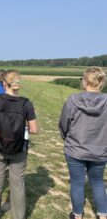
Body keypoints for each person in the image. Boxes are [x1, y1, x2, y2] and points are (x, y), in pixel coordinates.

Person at [0, 70, 38, 219]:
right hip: (19, 150)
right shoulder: (26, 103)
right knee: (18, 184)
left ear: (3, 83)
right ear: (18, 85)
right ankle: (19, 216)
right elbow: (34, 130)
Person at [59, 67, 107, 219]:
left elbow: (64, 124)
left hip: (75, 149)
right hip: (100, 150)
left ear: (85, 81)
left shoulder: (73, 99)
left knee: (77, 182)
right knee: (98, 182)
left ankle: (77, 215)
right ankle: (103, 214)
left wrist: (67, 138)